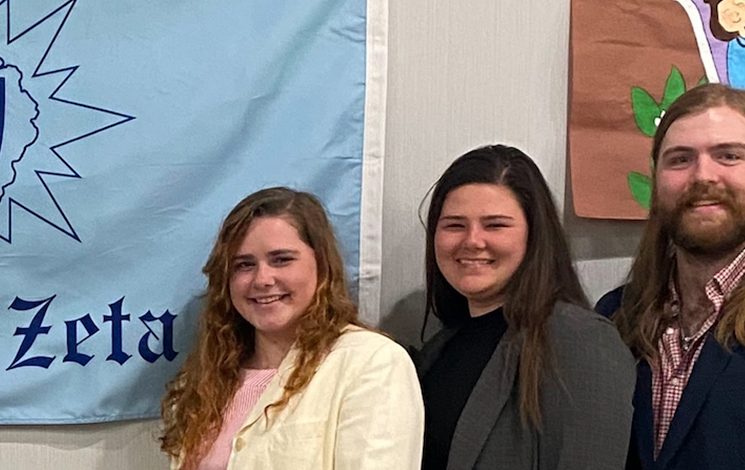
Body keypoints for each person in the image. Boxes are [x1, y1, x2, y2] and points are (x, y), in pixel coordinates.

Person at [159, 187, 423, 470]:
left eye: (281, 259)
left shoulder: (372, 363)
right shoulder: (205, 380)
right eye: (244, 265)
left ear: (321, 264)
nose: (262, 279)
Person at [413, 145, 634, 470]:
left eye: (495, 225)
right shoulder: (439, 349)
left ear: (535, 235)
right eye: (455, 225)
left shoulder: (580, 341)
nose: (472, 241)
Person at [597, 83, 745, 470]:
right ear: (656, 179)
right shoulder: (614, 316)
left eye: (729, 156)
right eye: (680, 159)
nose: (703, 176)